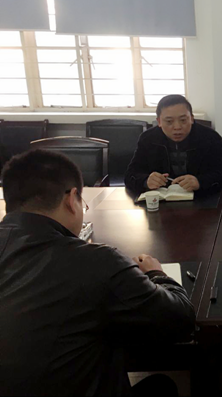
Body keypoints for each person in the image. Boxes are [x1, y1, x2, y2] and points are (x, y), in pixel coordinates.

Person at [0, 150, 195, 396]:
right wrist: (158, 274)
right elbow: (180, 320)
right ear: (72, 199)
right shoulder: (96, 261)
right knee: (162, 387)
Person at [125, 94, 222, 194]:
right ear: (159, 122)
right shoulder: (148, 139)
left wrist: (200, 182)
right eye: (169, 121)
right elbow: (130, 175)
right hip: (160, 200)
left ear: (192, 118)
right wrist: (146, 181)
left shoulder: (210, 138)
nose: (177, 127)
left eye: (183, 120)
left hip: (201, 199)